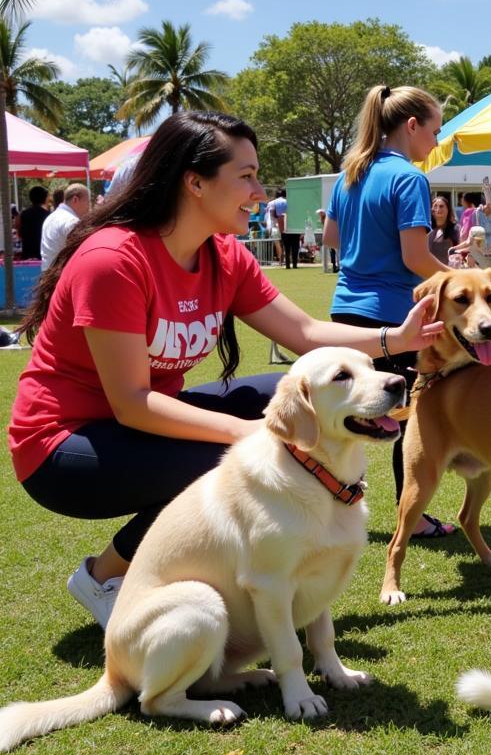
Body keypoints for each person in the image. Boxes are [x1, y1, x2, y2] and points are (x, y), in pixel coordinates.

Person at [9, 111, 442, 628]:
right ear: (194, 182)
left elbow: (302, 333)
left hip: (138, 425)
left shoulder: (223, 255)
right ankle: (103, 577)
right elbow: (130, 401)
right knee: (242, 450)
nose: (259, 192)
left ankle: (258, 574)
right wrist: (247, 433)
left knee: (287, 396)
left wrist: (394, 338)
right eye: (246, 176)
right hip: (62, 446)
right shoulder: (114, 260)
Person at [322, 83, 456, 540]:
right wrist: (456, 280)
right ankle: (413, 518)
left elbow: (331, 240)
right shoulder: (409, 178)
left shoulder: (349, 175)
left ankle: (324, 507)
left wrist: (367, 251)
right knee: (409, 419)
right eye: (434, 131)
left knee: (341, 416)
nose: (436, 142)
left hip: (344, 311)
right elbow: (416, 258)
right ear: (412, 125)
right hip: (395, 318)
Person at [40, 182, 90, 270]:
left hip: (48, 274)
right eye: (88, 202)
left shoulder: (51, 217)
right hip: (61, 276)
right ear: (75, 199)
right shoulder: (71, 222)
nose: (89, 207)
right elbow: (83, 253)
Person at [17, 185, 50, 260]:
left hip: (27, 255)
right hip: (42, 256)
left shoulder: (23, 214)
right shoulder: (49, 215)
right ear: (44, 198)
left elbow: (19, 234)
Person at [428, 195, 458, 263]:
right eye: (435, 206)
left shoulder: (455, 229)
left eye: (441, 206)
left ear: (448, 209)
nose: (438, 209)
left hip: (448, 270)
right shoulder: (426, 229)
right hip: (429, 269)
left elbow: (461, 249)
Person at [266, 186, 286, 265]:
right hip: (286, 226)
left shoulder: (271, 203)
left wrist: (269, 228)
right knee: (285, 243)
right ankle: (285, 257)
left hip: (275, 226)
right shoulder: (287, 201)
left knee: (277, 243)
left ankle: (280, 259)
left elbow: (269, 217)